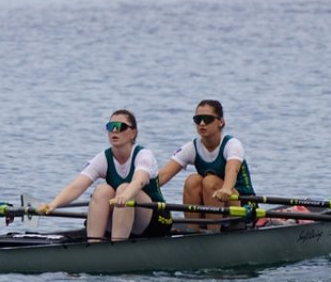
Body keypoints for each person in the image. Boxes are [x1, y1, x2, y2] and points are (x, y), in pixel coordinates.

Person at [38, 110, 172, 242]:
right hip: (123, 215)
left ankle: (116, 248)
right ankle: (94, 245)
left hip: (157, 221)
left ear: (133, 133)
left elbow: (139, 181)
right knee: (102, 190)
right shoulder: (103, 158)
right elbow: (77, 186)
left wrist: (124, 196)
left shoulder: (143, 155)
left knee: (124, 188)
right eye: (110, 127)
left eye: (120, 127)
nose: (114, 130)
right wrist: (53, 205)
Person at [156, 100, 255, 231]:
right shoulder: (192, 147)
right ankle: (193, 231)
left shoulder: (232, 145)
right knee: (192, 180)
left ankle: (213, 234)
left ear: (221, 122)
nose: (202, 123)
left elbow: (232, 170)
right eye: (198, 119)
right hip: (211, 205)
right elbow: (162, 176)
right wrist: (135, 189)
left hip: (242, 205)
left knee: (210, 181)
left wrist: (226, 188)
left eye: (207, 119)